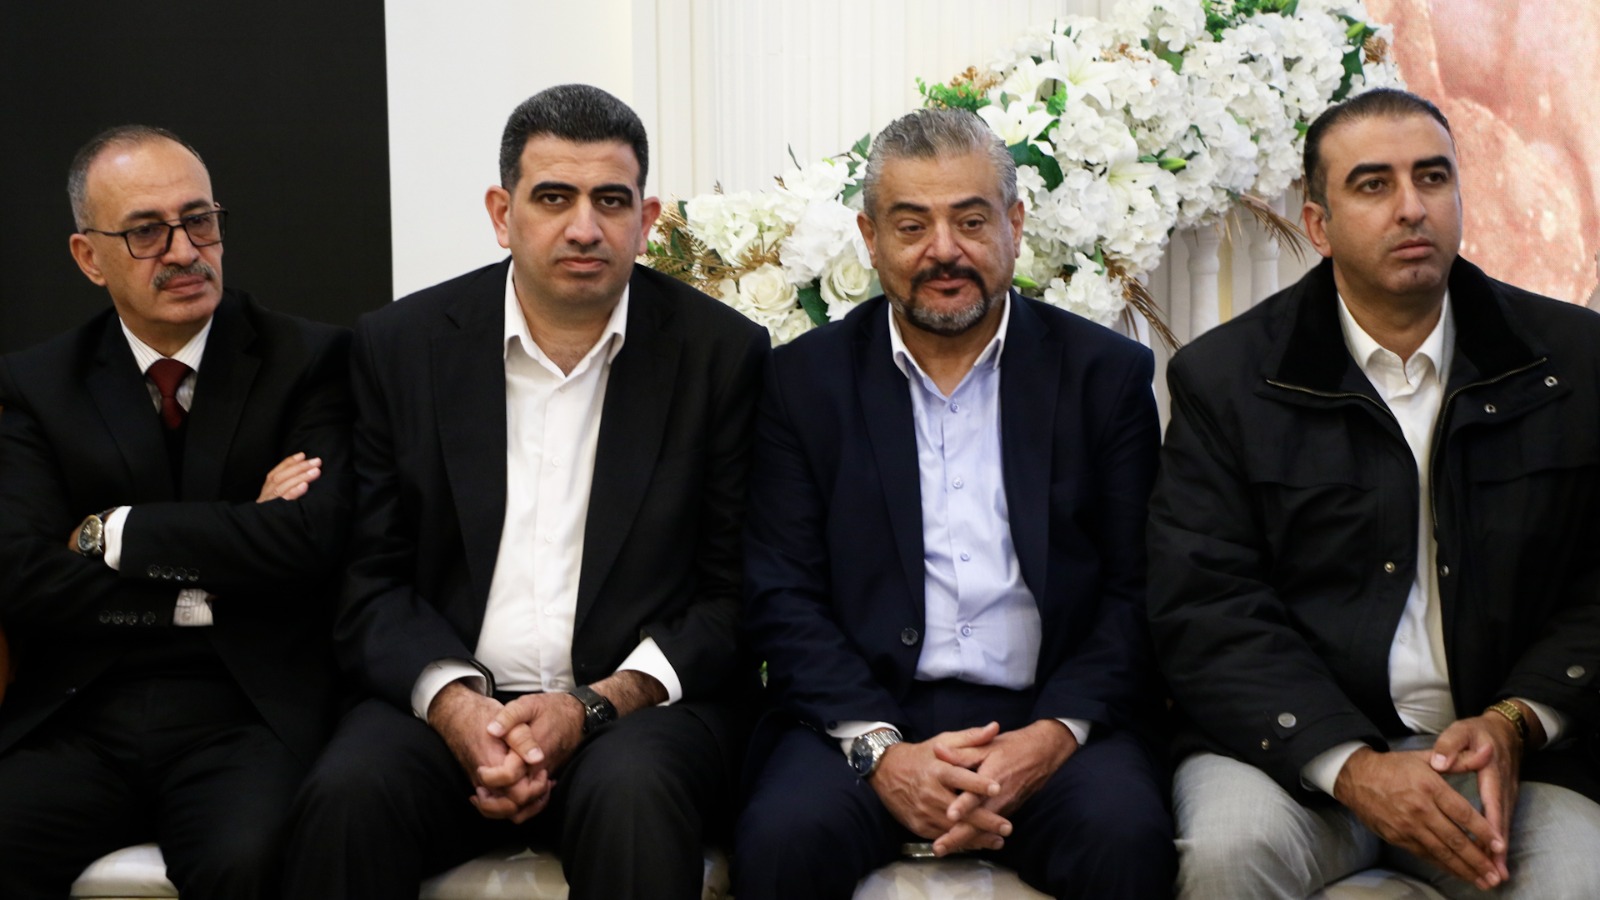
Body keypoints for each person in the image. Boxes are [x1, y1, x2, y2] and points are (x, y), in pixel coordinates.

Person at [282, 84, 769, 899]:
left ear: (647, 220)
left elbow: (730, 597)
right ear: (501, 213)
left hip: (634, 715)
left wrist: (595, 706)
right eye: (553, 198)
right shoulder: (402, 347)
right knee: (348, 797)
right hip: (447, 703)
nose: (584, 227)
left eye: (610, 200)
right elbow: (370, 581)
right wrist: (457, 708)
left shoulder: (720, 354)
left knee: (636, 797)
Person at [1149, 87, 1600, 899]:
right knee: (1227, 856)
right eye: (1372, 185)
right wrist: (1349, 764)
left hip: (1501, 759)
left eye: (1433, 177)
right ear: (1318, 225)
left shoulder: (1573, 361)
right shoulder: (1226, 379)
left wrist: (1518, 720)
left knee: (1574, 882)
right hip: (1291, 757)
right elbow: (1207, 605)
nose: (1411, 207)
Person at [735, 107, 1175, 900]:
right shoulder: (802, 383)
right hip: (863, 713)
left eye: (971, 221)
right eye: (912, 226)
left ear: (1014, 225)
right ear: (870, 240)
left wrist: (1051, 737)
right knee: (783, 840)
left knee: (1123, 838)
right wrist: (882, 752)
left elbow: (1137, 589)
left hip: (1049, 709)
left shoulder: (1104, 377)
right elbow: (781, 593)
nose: (944, 250)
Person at [0, 125, 352, 899]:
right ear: (88, 256)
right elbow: (22, 577)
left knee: (246, 861)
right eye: (146, 232)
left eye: (199, 220)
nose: (185, 251)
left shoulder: (310, 361)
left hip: (247, 713)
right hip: (81, 711)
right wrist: (215, 571)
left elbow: (305, 540)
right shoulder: (36, 385)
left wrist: (110, 531)